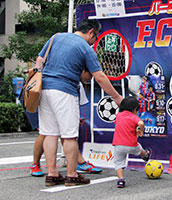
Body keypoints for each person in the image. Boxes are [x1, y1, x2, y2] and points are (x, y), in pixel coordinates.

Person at [35, 19, 123, 187]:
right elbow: (100, 77)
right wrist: (117, 97)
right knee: (69, 135)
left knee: (50, 133)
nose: (94, 41)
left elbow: (39, 61)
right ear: (90, 32)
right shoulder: (85, 48)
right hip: (64, 91)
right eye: (95, 37)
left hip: (43, 89)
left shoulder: (56, 37)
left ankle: (52, 174)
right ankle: (72, 174)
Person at [112, 96, 152, 188]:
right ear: (134, 109)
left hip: (118, 145)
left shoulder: (118, 115)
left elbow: (118, 124)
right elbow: (141, 123)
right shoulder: (134, 117)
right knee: (139, 148)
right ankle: (145, 155)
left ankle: (121, 180)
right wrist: (141, 131)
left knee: (118, 163)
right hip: (131, 144)